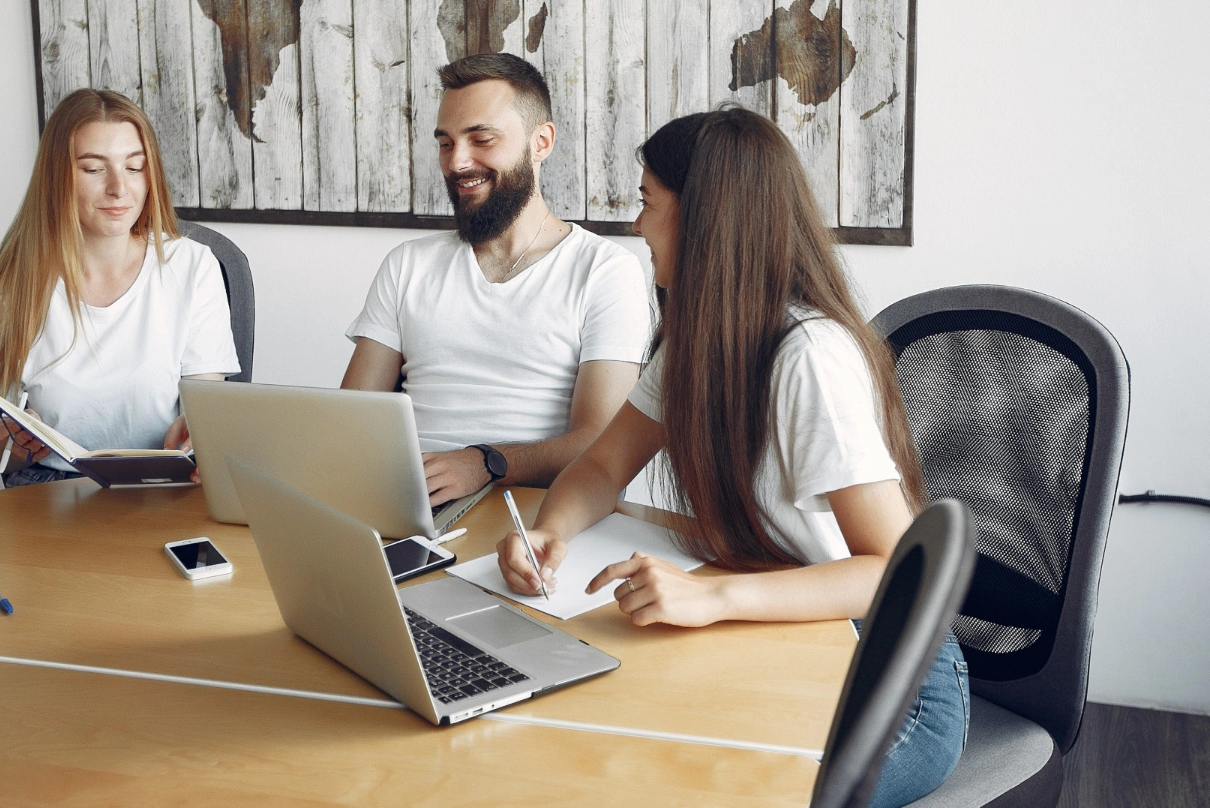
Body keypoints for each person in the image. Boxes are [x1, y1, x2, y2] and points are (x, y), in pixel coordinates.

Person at [496, 107, 968, 808]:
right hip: (781, 639)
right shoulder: (702, 338)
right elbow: (601, 468)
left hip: (894, 681)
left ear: (705, 219)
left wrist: (713, 597)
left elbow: (894, 575)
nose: (635, 226)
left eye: (647, 204)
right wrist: (550, 532)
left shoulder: (808, 357)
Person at [342, 53, 652, 505]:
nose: (458, 162)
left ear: (540, 142)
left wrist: (484, 462)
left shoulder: (605, 270)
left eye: (481, 139)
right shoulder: (408, 264)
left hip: (529, 516)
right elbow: (351, 418)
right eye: (445, 143)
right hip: (405, 504)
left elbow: (602, 444)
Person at [0, 89, 240, 486]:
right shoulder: (12, 290)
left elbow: (206, 405)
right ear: (57, 178)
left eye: (135, 167)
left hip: (166, 487)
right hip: (50, 491)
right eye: (93, 169)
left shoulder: (193, 267)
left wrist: (197, 431)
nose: (119, 188)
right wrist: (18, 445)